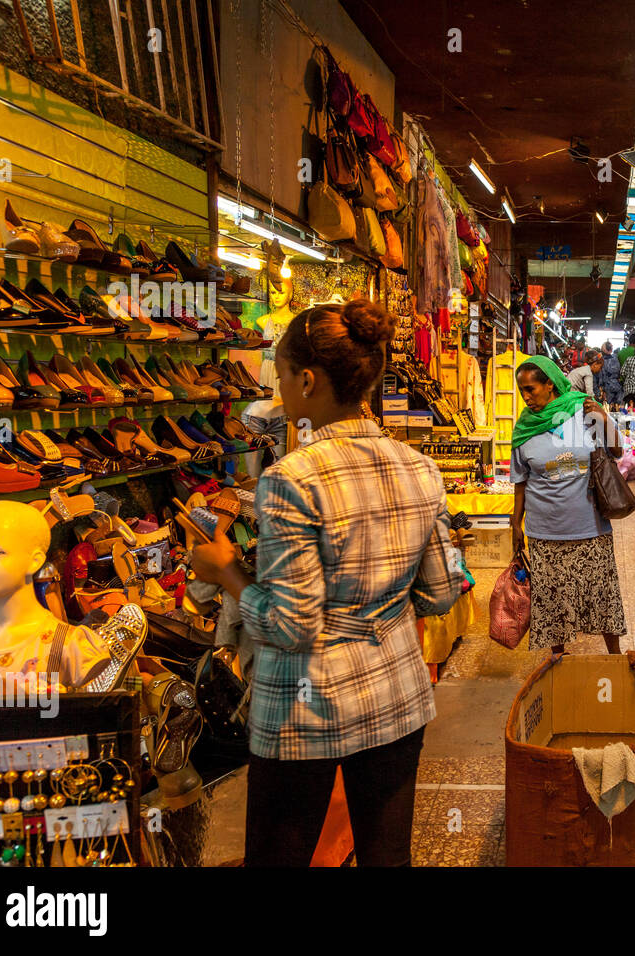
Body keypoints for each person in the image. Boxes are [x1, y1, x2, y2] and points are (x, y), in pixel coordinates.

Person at [190, 299, 466, 867]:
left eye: (282, 375)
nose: (278, 389)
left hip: (303, 708)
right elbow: (441, 591)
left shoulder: (291, 478)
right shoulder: (418, 466)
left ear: (308, 379)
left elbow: (290, 626)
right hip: (395, 698)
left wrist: (227, 573)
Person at [511, 356, 626, 656]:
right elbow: (520, 481)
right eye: (521, 390)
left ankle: (615, 659)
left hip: (590, 527)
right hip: (544, 532)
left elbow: (617, 449)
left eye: (531, 389)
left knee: (602, 598)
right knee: (552, 604)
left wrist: (603, 416)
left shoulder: (583, 410)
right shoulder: (524, 428)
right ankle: (558, 662)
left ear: (550, 385)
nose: (526, 396)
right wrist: (515, 524)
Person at [599, 341, 624, 405]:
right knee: (618, 406)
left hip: (608, 386)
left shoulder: (602, 361)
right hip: (617, 385)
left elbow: (601, 376)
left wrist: (601, 387)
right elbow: (619, 371)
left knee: (609, 407)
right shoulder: (615, 358)